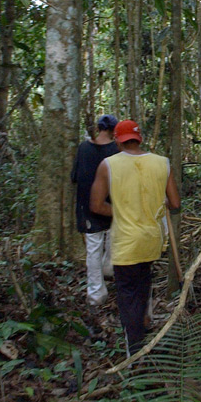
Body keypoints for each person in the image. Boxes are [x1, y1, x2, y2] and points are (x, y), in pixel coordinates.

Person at [90, 119, 180, 355]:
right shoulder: (162, 163)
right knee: (142, 284)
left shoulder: (108, 165)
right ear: (139, 139)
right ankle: (143, 330)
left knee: (128, 294)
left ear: (118, 141)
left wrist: (121, 211)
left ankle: (135, 349)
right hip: (151, 240)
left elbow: (96, 205)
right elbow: (175, 203)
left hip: (126, 242)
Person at [71, 114, 120, 307]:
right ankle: (108, 270)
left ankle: (96, 294)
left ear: (98, 128)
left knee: (93, 249)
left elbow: (74, 176)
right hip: (111, 205)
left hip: (88, 206)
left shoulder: (84, 148)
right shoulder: (116, 149)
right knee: (112, 239)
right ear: (114, 131)